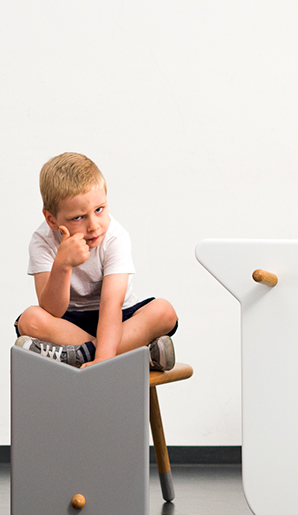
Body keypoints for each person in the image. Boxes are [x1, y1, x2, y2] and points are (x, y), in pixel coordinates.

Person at [15, 152, 178, 370]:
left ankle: (78, 354)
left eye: (99, 210)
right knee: (29, 320)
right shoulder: (43, 240)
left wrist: (102, 358)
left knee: (164, 312)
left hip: (118, 318)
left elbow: (111, 304)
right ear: (51, 220)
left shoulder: (115, 237)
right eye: (78, 217)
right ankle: (140, 352)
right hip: (68, 323)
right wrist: (63, 265)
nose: (94, 226)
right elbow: (52, 311)